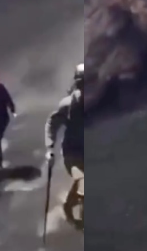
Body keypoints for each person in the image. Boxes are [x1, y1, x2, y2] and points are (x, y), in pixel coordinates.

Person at [46, 63, 85, 230]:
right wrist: (50, 149)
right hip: (72, 153)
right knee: (83, 181)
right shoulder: (68, 104)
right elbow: (51, 124)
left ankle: (71, 204)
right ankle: (71, 210)